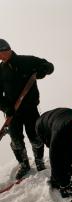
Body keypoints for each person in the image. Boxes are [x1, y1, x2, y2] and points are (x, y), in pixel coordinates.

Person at [0, 39, 54, 179]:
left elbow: (49, 66)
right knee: (16, 141)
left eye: (1, 54)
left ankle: (39, 161)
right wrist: (6, 107)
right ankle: (24, 164)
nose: (0, 57)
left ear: (8, 50)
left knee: (35, 137)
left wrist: (45, 69)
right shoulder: (0, 71)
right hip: (12, 112)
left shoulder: (27, 61)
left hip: (30, 109)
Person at [35, 107, 72, 198]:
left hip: (61, 116)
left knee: (68, 152)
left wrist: (67, 166)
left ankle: (63, 174)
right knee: (59, 157)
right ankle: (56, 181)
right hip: (43, 126)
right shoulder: (59, 135)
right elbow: (55, 160)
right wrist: (64, 184)